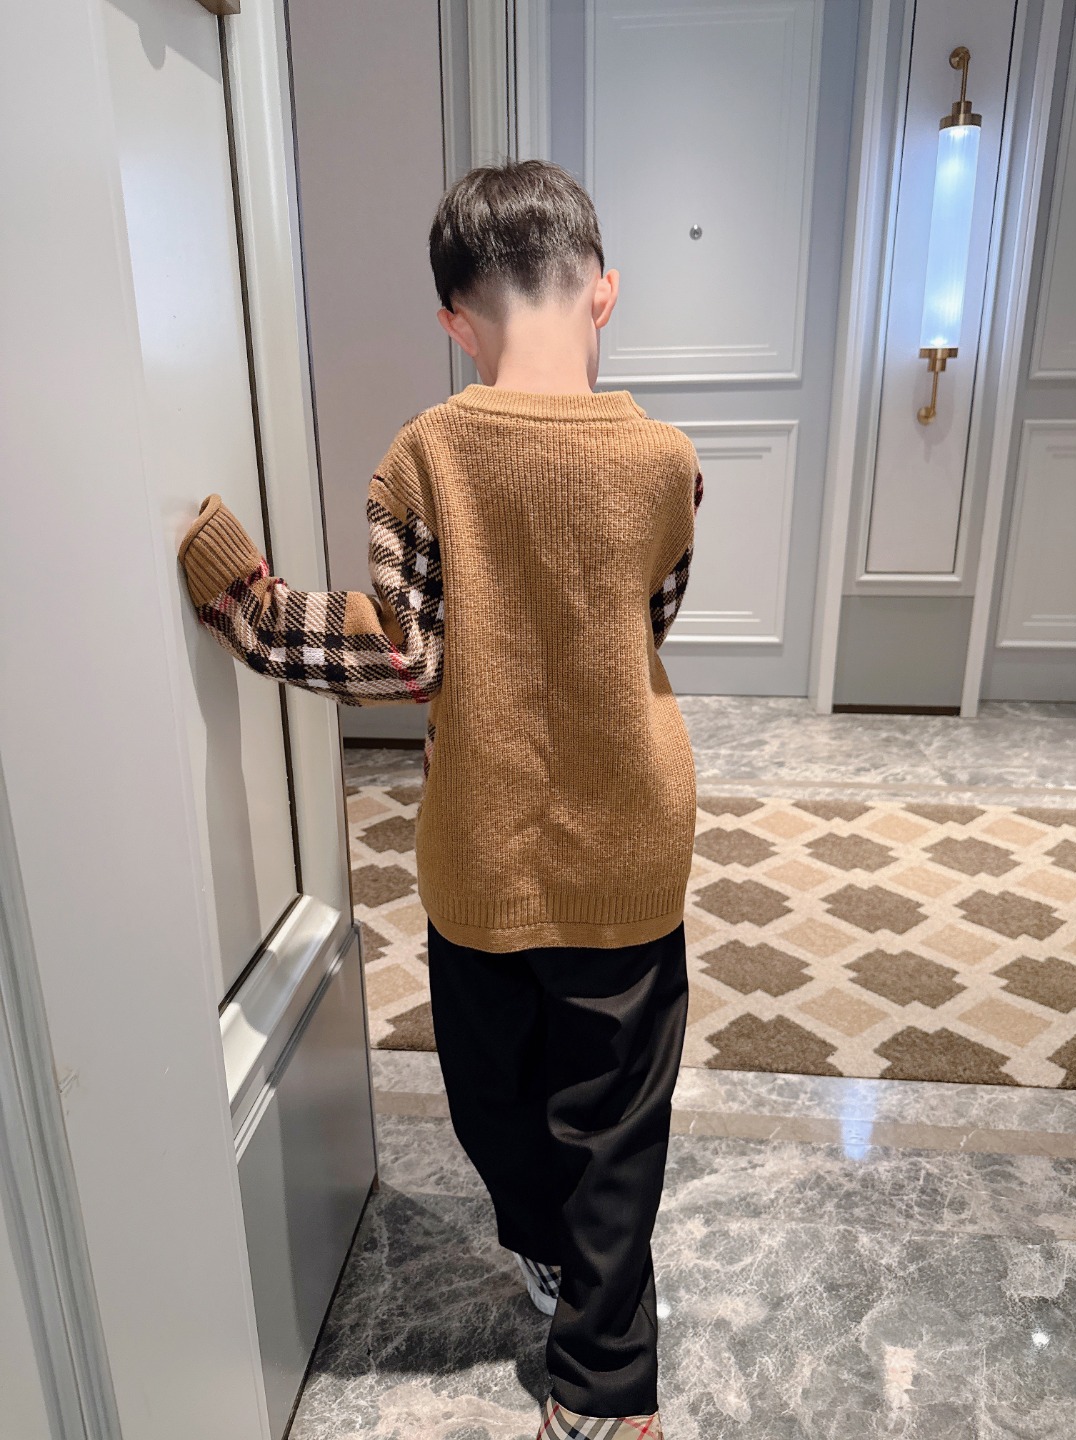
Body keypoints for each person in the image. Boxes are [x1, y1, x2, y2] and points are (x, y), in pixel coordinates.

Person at [178, 159, 702, 1440]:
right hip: (630, 848)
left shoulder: (425, 457)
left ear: (454, 320)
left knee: (491, 1097)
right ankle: (585, 1317)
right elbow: (651, 620)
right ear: (604, 294)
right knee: (616, 1127)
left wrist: (251, 605)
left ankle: (602, 1366)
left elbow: (406, 657)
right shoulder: (668, 462)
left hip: (484, 856)